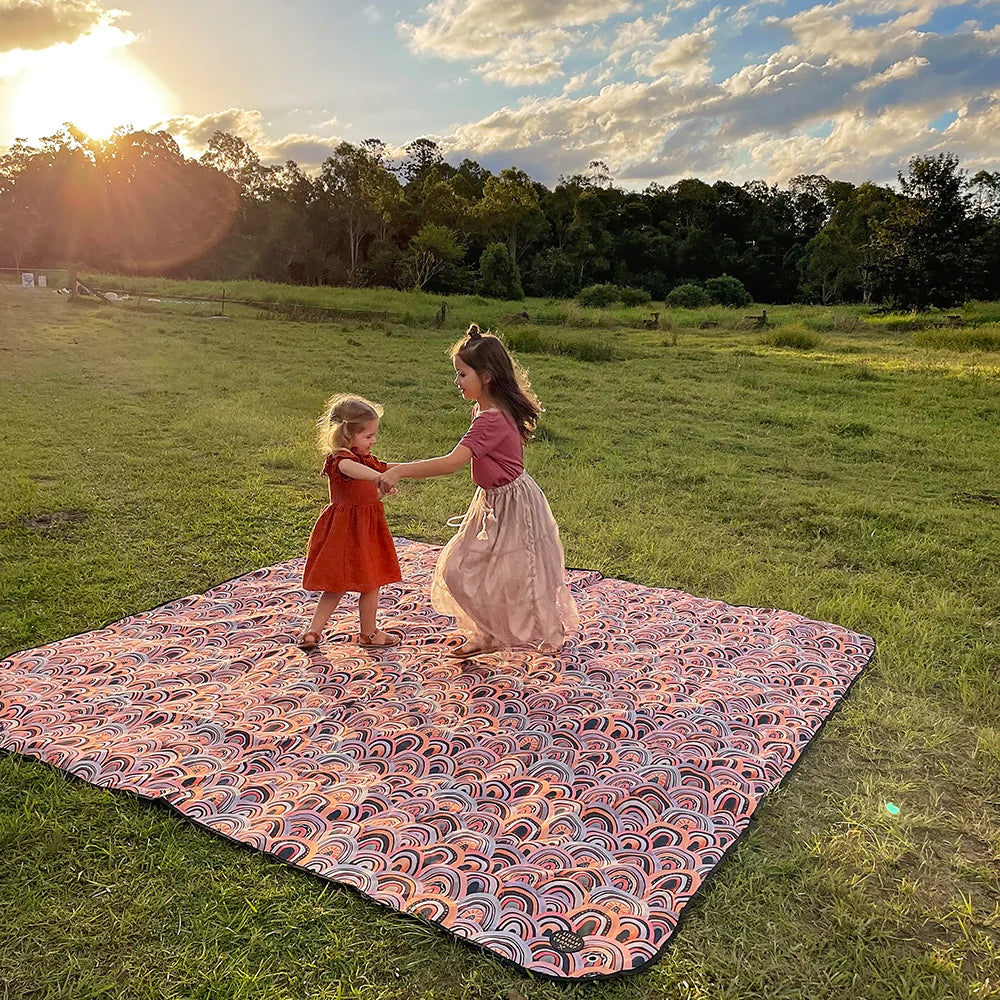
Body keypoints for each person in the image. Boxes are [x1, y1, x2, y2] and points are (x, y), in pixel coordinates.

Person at [378, 324, 578, 656]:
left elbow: (450, 462)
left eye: (461, 374)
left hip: (514, 503)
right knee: (465, 569)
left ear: (484, 376)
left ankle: (547, 631)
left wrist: (399, 471)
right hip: (491, 500)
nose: (456, 381)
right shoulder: (484, 410)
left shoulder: (492, 419)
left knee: (520, 571)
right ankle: (489, 633)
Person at [299, 394, 402, 650]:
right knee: (338, 584)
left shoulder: (368, 460)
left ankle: (366, 632)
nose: (373, 440)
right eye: (368, 436)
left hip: (365, 531)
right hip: (346, 532)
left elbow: (390, 468)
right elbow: (351, 470)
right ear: (346, 436)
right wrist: (380, 478)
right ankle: (315, 631)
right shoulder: (340, 461)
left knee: (371, 581)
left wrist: (412, 469)